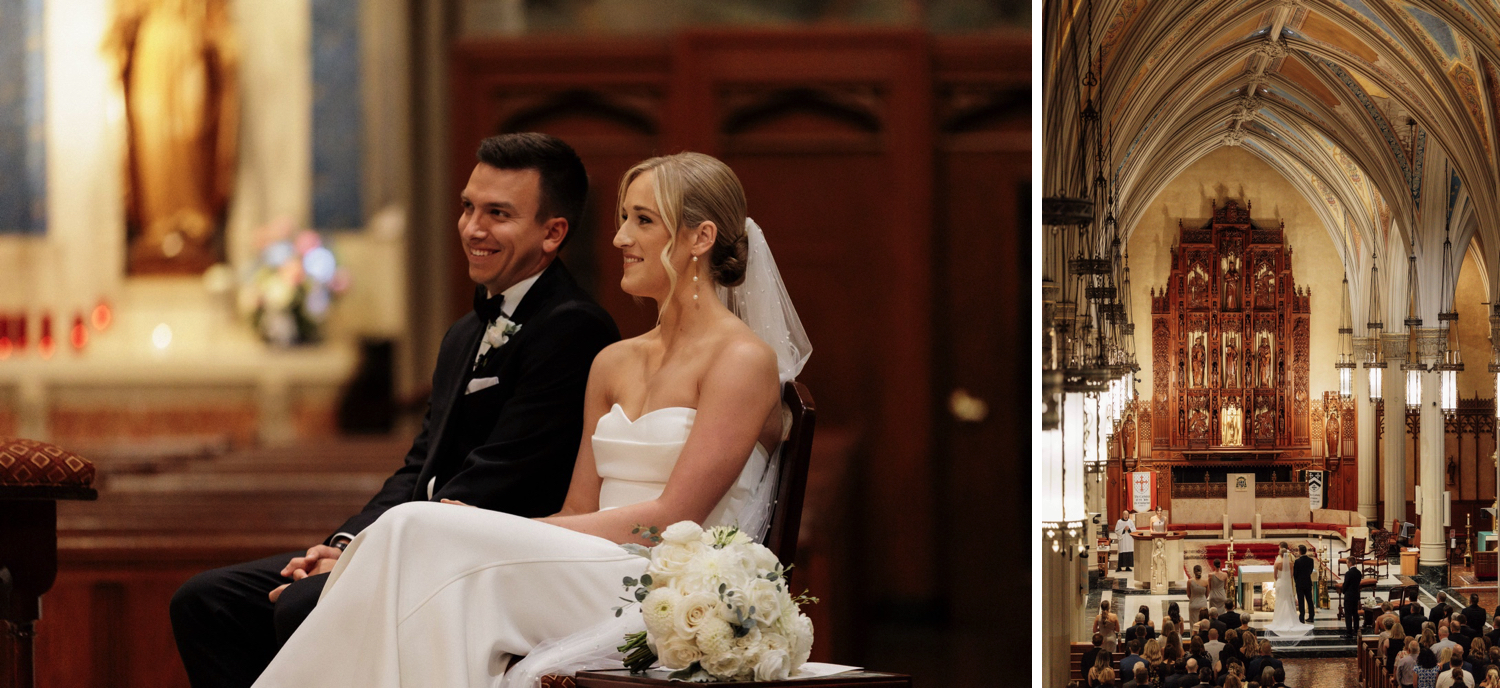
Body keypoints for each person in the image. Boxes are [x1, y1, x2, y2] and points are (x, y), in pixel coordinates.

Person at [249, 151, 813, 687]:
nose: (620, 237)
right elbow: (578, 508)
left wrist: (503, 530)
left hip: (660, 581)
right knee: (414, 533)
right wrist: (487, 529)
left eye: (642, 220)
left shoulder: (740, 360)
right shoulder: (614, 361)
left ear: (700, 237)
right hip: (584, 561)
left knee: (419, 529)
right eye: (622, 218)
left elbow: (672, 518)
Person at [169, 133, 620, 688]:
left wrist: (362, 559)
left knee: (302, 606)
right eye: (468, 207)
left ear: (553, 232)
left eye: (498, 213)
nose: (474, 228)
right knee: (205, 600)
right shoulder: (464, 333)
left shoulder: (574, 327)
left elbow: (503, 476)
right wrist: (339, 546)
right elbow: (418, 467)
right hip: (409, 543)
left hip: (482, 558)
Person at [1266, 542, 1312, 634]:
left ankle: (1280, 618)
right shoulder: (1291, 562)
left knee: (1280, 600)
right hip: (1288, 583)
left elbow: (1275, 576)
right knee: (1288, 599)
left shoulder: (1277, 562)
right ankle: (1292, 617)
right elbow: (1292, 575)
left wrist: (1279, 579)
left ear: (1280, 554)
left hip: (1280, 582)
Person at [1291, 543, 1315, 624]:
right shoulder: (1311, 560)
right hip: (1308, 582)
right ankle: (1311, 616)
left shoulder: (1297, 561)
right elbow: (1310, 571)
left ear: (1300, 552)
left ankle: (1302, 617)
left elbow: (1295, 573)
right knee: (1309, 600)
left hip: (1300, 583)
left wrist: (1297, 581)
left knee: (1301, 601)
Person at [1344, 558, 1367, 638]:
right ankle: (1356, 630)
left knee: (1348, 614)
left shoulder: (1348, 573)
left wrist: (1344, 591)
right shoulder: (1358, 572)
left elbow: (1345, 585)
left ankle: (1349, 632)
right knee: (1355, 613)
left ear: (1350, 563)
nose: (1347, 564)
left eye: (1347, 562)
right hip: (1356, 595)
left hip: (1349, 596)